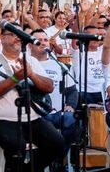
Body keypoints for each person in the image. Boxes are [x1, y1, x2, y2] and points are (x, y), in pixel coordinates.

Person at [0, 22, 64, 172]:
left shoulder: (31, 61)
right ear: (2, 38)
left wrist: (31, 74)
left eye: (20, 34)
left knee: (57, 142)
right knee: (17, 143)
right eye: (12, 34)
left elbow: (49, 86)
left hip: (31, 118)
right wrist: (15, 79)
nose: (18, 37)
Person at [29, 29, 77, 161]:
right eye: (39, 40)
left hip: (57, 113)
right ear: (29, 45)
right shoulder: (26, 64)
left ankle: (55, 159)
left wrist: (70, 105)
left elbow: (72, 90)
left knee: (72, 120)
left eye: (46, 40)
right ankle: (48, 161)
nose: (43, 43)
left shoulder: (59, 66)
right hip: (35, 115)